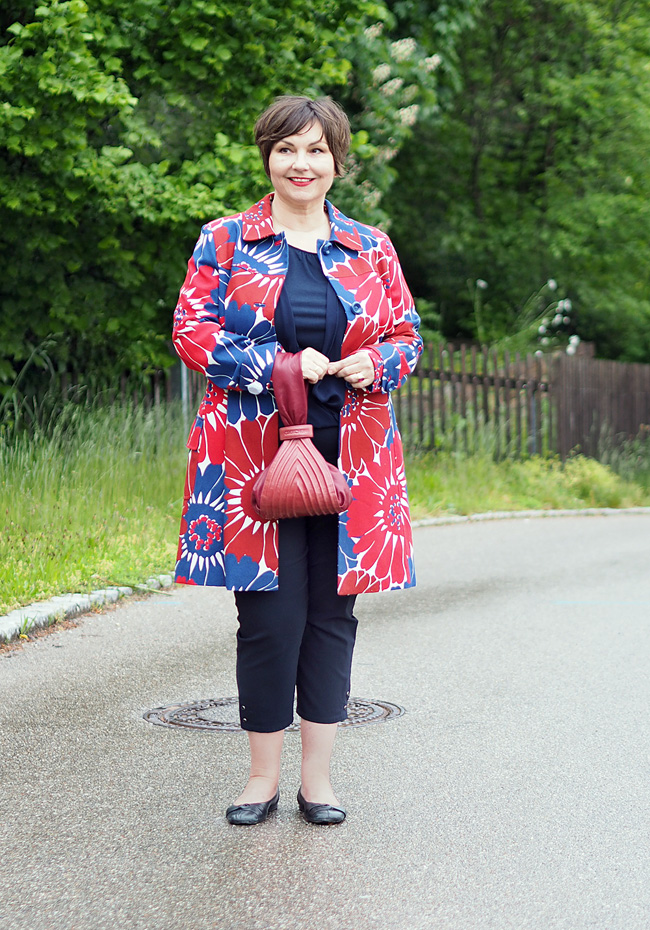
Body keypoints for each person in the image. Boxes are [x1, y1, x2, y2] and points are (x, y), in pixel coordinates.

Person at [172, 95, 422, 825]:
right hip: (254, 465)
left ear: (337, 160)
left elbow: (407, 337)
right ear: (267, 158)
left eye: (316, 150)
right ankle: (260, 780)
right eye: (287, 150)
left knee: (331, 617)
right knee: (269, 620)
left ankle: (320, 782)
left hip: (354, 464)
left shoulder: (373, 247)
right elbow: (193, 333)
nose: (301, 164)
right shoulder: (224, 240)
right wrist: (283, 365)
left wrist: (371, 363)